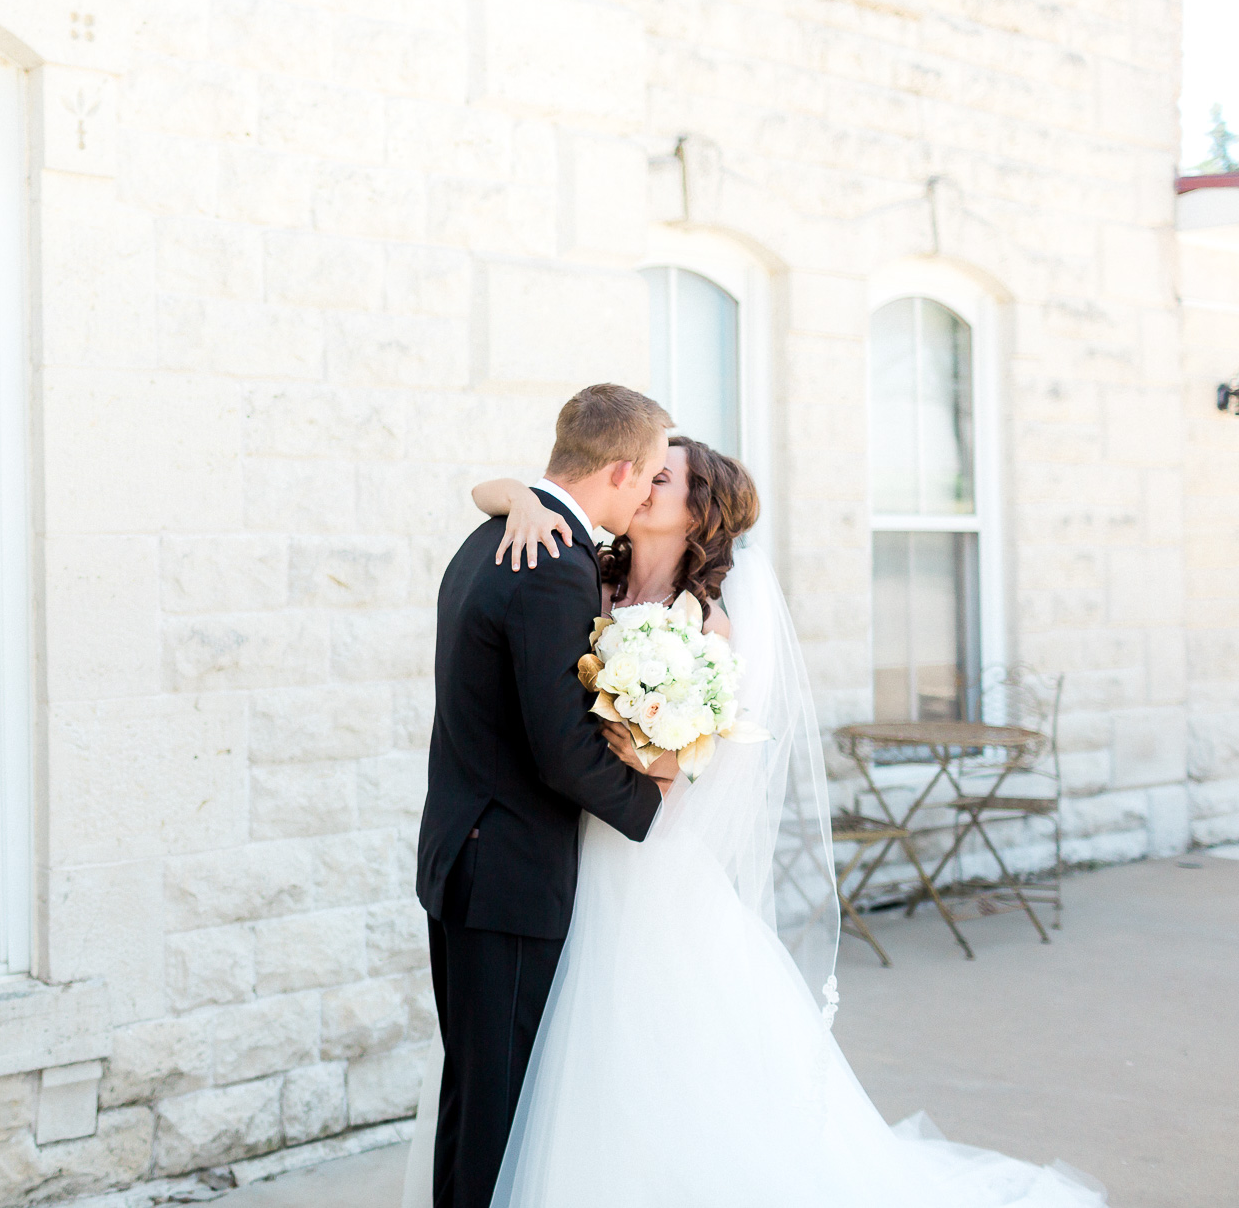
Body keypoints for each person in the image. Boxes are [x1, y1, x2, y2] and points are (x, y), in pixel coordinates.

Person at [403, 435, 1107, 1208]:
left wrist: (643, 739)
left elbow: (693, 764)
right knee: (526, 1062)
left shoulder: (707, 630)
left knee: (634, 1061)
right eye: (641, 471)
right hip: (555, 848)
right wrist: (526, 496)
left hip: (638, 858)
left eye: (661, 478)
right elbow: (497, 494)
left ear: (697, 512)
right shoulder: (582, 572)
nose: (639, 485)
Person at [416, 383, 676, 1208]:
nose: (649, 493)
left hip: (464, 856)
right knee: (501, 1105)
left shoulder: (493, 535)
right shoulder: (552, 566)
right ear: (621, 469)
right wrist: (653, 803)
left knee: (476, 1090)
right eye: (652, 476)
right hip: (510, 875)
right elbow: (560, 750)